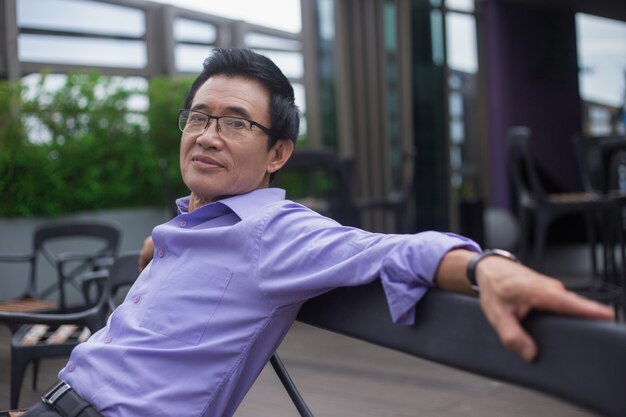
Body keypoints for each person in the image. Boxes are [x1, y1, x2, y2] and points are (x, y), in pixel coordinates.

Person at [21, 48, 613, 417]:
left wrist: (489, 268)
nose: (207, 134)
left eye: (235, 123)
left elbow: (389, 249)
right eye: (199, 117)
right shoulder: (188, 224)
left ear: (278, 152)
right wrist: (163, 243)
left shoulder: (274, 232)